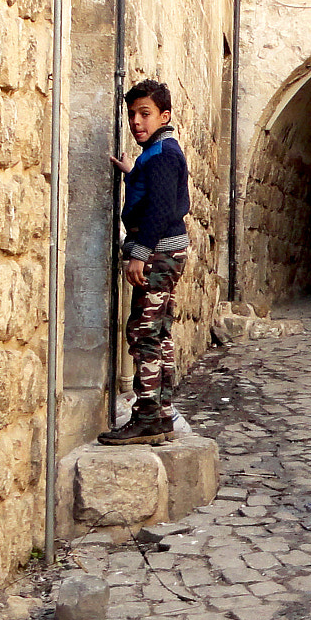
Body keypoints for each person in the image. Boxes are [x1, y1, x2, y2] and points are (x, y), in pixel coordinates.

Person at [98, 79, 191, 445]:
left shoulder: (165, 154)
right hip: (166, 251)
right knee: (158, 332)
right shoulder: (156, 152)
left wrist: (139, 254)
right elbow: (153, 188)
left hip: (159, 252)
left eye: (145, 114)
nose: (137, 121)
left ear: (164, 116)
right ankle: (163, 413)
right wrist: (131, 172)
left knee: (144, 333)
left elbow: (161, 207)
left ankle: (149, 417)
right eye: (132, 114)